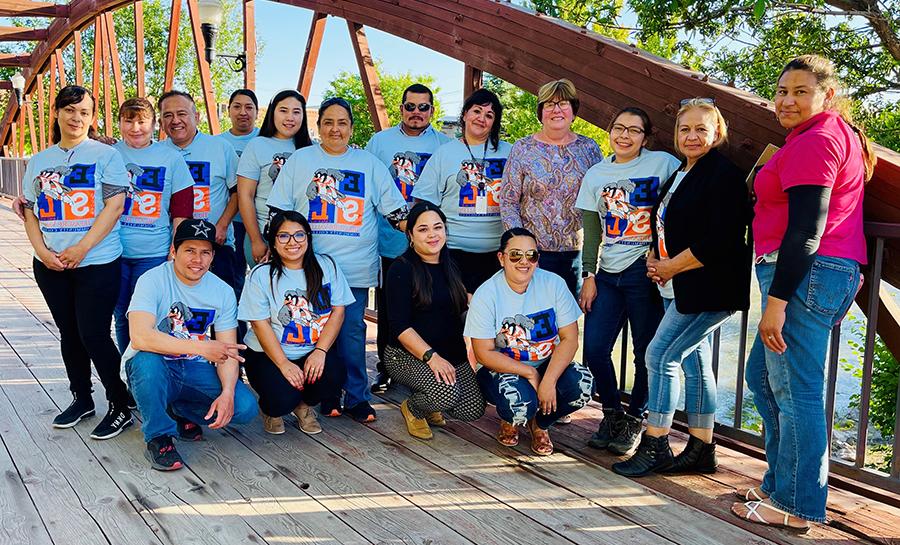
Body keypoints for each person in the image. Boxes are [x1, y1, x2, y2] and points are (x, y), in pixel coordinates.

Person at [732, 55, 874, 533]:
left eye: (800, 91)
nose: (787, 100)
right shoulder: (824, 137)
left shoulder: (818, 140)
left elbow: (806, 232)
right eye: (782, 91)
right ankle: (780, 483)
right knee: (763, 377)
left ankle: (799, 505)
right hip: (813, 273)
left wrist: (775, 304)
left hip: (806, 272)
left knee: (798, 393)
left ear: (826, 95)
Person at [612, 99, 751, 478]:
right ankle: (702, 448)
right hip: (681, 284)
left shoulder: (723, 174)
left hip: (708, 287)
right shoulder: (684, 172)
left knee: (659, 356)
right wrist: (658, 262)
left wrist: (671, 265)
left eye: (701, 129)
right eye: (685, 129)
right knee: (695, 362)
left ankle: (656, 444)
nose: (692, 136)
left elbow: (722, 239)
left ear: (717, 133)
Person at [266, 97, 408, 423]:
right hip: (308, 268)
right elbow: (277, 211)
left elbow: (395, 211)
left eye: (342, 122)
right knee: (316, 332)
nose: (335, 128)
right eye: (328, 122)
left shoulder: (369, 164)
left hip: (355, 269)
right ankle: (327, 394)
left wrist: (419, 232)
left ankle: (357, 397)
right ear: (318, 127)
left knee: (353, 334)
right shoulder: (300, 161)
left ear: (351, 127)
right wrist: (270, 247)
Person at [21, 85, 134, 439]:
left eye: (84, 112)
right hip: (51, 264)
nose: (77, 118)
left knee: (93, 333)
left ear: (92, 117)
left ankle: (119, 403)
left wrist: (82, 248)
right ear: (57, 112)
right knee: (69, 333)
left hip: (96, 261)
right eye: (70, 110)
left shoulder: (106, 155)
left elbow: (114, 206)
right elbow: (28, 209)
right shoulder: (39, 160)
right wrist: (41, 251)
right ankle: (81, 398)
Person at [575, 107, 680, 454]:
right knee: (594, 347)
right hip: (607, 273)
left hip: (645, 270)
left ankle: (636, 416)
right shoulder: (596, 174)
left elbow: (678, 209)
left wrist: (661, 252)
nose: (624, 135)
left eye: (634, 131)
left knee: (644, 351)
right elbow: (592, 232)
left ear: (645, 137)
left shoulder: (662, 164)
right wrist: (588, 274)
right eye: (618, 128)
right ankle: (611, 413)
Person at [124, 219, 258, 471]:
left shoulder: (222, 291)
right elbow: (139, 337)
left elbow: (227, 351)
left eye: (205, 252)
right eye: (190, 250)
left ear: (213, 257)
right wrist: (200, 348)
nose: (198, 259)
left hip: (193, 370)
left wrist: (227, 391)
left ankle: (180, 409)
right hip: (156, 366)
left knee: (244, 407)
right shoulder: (152, 280)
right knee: (145, 361)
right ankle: (159, 436)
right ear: (174, 251)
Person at [466, 228, 593, 455]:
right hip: (503, 369)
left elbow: (570, 339)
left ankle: (541, 425)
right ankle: (511, 419)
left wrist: (549, 380)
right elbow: (484, 353)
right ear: (501, 258)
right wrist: (530, 374)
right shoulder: (487, 293)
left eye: (531, 255)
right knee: (518, 406)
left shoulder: (553, 284)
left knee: (583, 385)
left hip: (546, 362)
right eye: (515, 255)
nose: (524, 261)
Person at [366, 83, 451, 394]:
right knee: (391, 307)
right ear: (401, 108)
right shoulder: (379, 141)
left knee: (429, 304)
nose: (417, 113)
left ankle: (426, 368)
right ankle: (387, 369)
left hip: (430, 243)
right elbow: (371, 188)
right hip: (392, 240)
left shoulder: (445, 145)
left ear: (432, 110)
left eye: (423, 107)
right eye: (410, 106)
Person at [239, 211, 353, 435]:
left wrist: (320, 351)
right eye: (283, 236)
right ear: (273, 241)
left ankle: (303, 407)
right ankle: (271, 410)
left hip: (311, 350)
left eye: (299, 235)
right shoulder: (261, 275)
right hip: (268, 354)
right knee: (281, 399)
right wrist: (283, 363)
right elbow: (260, 325)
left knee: (334, 374)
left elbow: (338, 311)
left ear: (308, 238)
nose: (293, 242)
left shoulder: (326, 265)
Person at [384, 202, 485, 440]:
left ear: (445, 231)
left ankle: (431, 398)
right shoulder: (401, 269)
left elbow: (471, 304)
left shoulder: (454, 264)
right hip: (406, 355)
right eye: (423, 229)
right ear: (410, 235)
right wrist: (432, 358)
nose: (432, 234)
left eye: (437, 227)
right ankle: (414, 408)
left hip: (450, 353)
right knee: (446, 394)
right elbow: (400, 326)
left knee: (472, 409)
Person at [500, 79, 602, 295]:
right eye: (549, 104)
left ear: (573, 111)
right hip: (533, 255)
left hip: (576, 253)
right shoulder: (523, 148)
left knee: (569, 320)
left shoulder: (589, 148)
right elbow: (508, 201)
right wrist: (520, 248)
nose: (556, 110)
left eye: (563, 103)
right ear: (541, 112)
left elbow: (599, 201)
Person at [113, 97, 195, 353]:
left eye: (142, 121)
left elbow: (182, 207)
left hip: (154, 251)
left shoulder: (170, 157)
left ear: (154, 124)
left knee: (147, 314)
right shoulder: (108, 154)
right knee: (121, 313)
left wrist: (175, 244)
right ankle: (127, 372)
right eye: (129, 121)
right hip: (114, 250)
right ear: (119, 124)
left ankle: (146, 369)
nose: (136, 128)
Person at [412, 89, 512, 295]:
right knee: (454, 318)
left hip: (499, 254)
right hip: (454, 253)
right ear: (465, 114)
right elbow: (423, 203)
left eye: (489, 115)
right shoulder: (444, 154)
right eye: (477, 111)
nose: (481, 119)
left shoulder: (511, 152)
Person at [158, 90, 241, 296]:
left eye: (182, 113)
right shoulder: (156, 152)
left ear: (196, 117)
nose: (175, 120)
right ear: (160, 121)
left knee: (225, 310)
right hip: (169, 247)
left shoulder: (221, 147)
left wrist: (222, 226)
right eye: (168, 115)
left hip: (215, 244)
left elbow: (238, 192)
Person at [237, 89, 312, 266]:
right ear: (272, 113)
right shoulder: (257, 145)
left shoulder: (312, 149)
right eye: (283, 110)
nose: (290, 117)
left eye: (296, 112)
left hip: (302, 238)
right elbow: (245, 196)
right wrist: (256, 240)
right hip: (265, 233)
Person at [217, 89, 260, 297]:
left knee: (265, 280)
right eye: (237, 106)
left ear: (257, 112)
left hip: (260, 220)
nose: (243, 112)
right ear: (229, 111)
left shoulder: (266, 139)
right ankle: (237, 328)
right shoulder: (218, 143)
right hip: (232, 222)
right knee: (234, 282)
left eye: (249, 107)